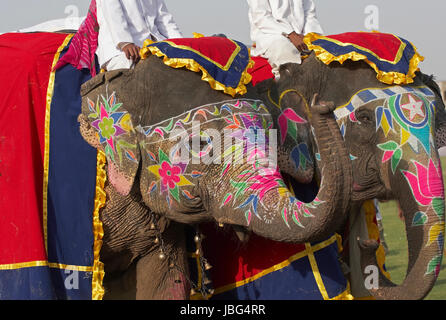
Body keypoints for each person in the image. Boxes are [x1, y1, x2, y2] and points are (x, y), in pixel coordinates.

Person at [96, 0, 183, 71]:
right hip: (120, 50)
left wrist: (182, 44)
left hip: (152, 47)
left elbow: (164, 20)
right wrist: (125, 43)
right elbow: (113, 14)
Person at [246, 0, 323, 78]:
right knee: (285, 50)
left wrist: (308, 35)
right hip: (271, 34)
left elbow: (309, 13)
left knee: (327, 51)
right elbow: (261, 18)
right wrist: (290, 34)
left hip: (302, 35)